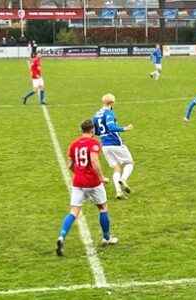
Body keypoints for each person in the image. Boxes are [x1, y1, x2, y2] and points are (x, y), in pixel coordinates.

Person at [56, 119, 118, 256]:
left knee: (74, 211)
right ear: (92, 130)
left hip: (78, 182)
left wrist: (78, 173)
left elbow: (70, 165)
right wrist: (102, 177)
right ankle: (107, 238)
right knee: (102, 208)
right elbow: (95, 161)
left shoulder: (73, 144)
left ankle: (61, 236)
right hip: (92, 182)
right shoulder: (93, 143)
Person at [92, 94, 134, 200]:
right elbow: (111, 127)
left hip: (105, 145)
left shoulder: (96, 115)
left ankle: (119, 192)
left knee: (116, 168)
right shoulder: (109, 113)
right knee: (129, 163)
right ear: (112, 103)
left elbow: (95, 131)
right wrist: (125, 128)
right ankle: (123, 180)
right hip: (115, 142)